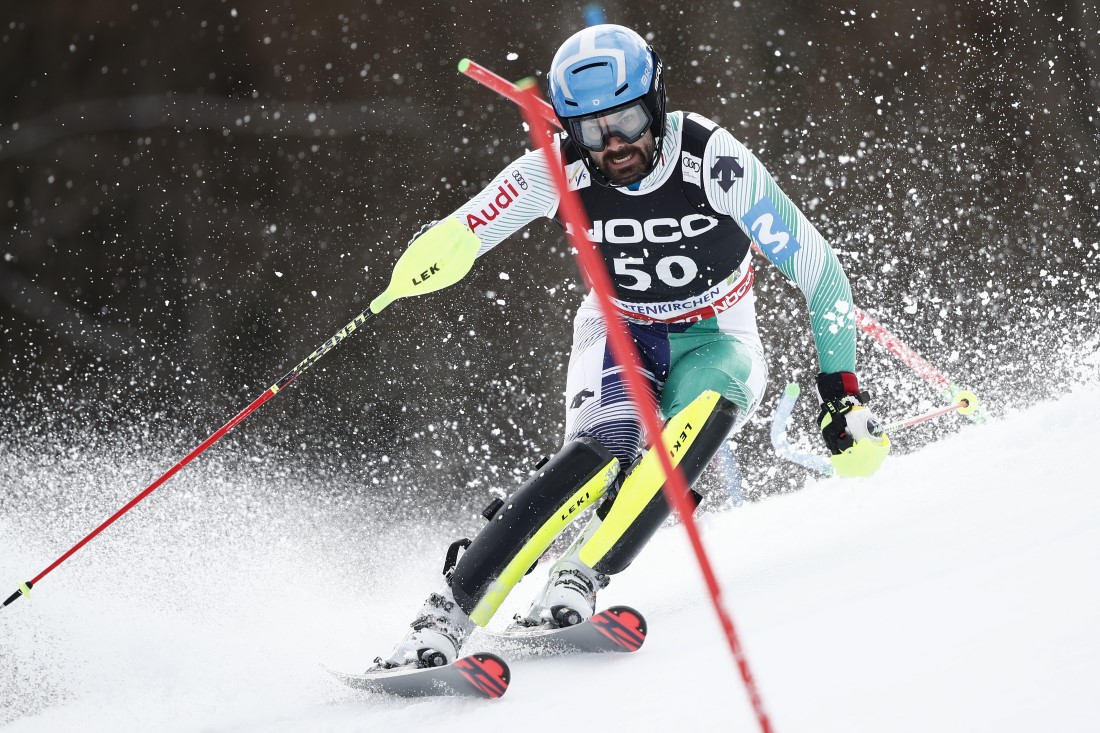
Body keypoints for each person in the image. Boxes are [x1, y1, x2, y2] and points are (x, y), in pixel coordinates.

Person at [372, 24, 890, 669]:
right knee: (603, 454)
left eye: (626, 120)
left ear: (656, 104)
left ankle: (579, 577)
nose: (613, 143)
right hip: (618, 332)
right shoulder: (555, 168)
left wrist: (840, 395)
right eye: (591, 130)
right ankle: (443, 616)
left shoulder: (711, 159)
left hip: (716, 334)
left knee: (703, 410)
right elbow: (469, 230)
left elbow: (819, 269)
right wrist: (429, 258)